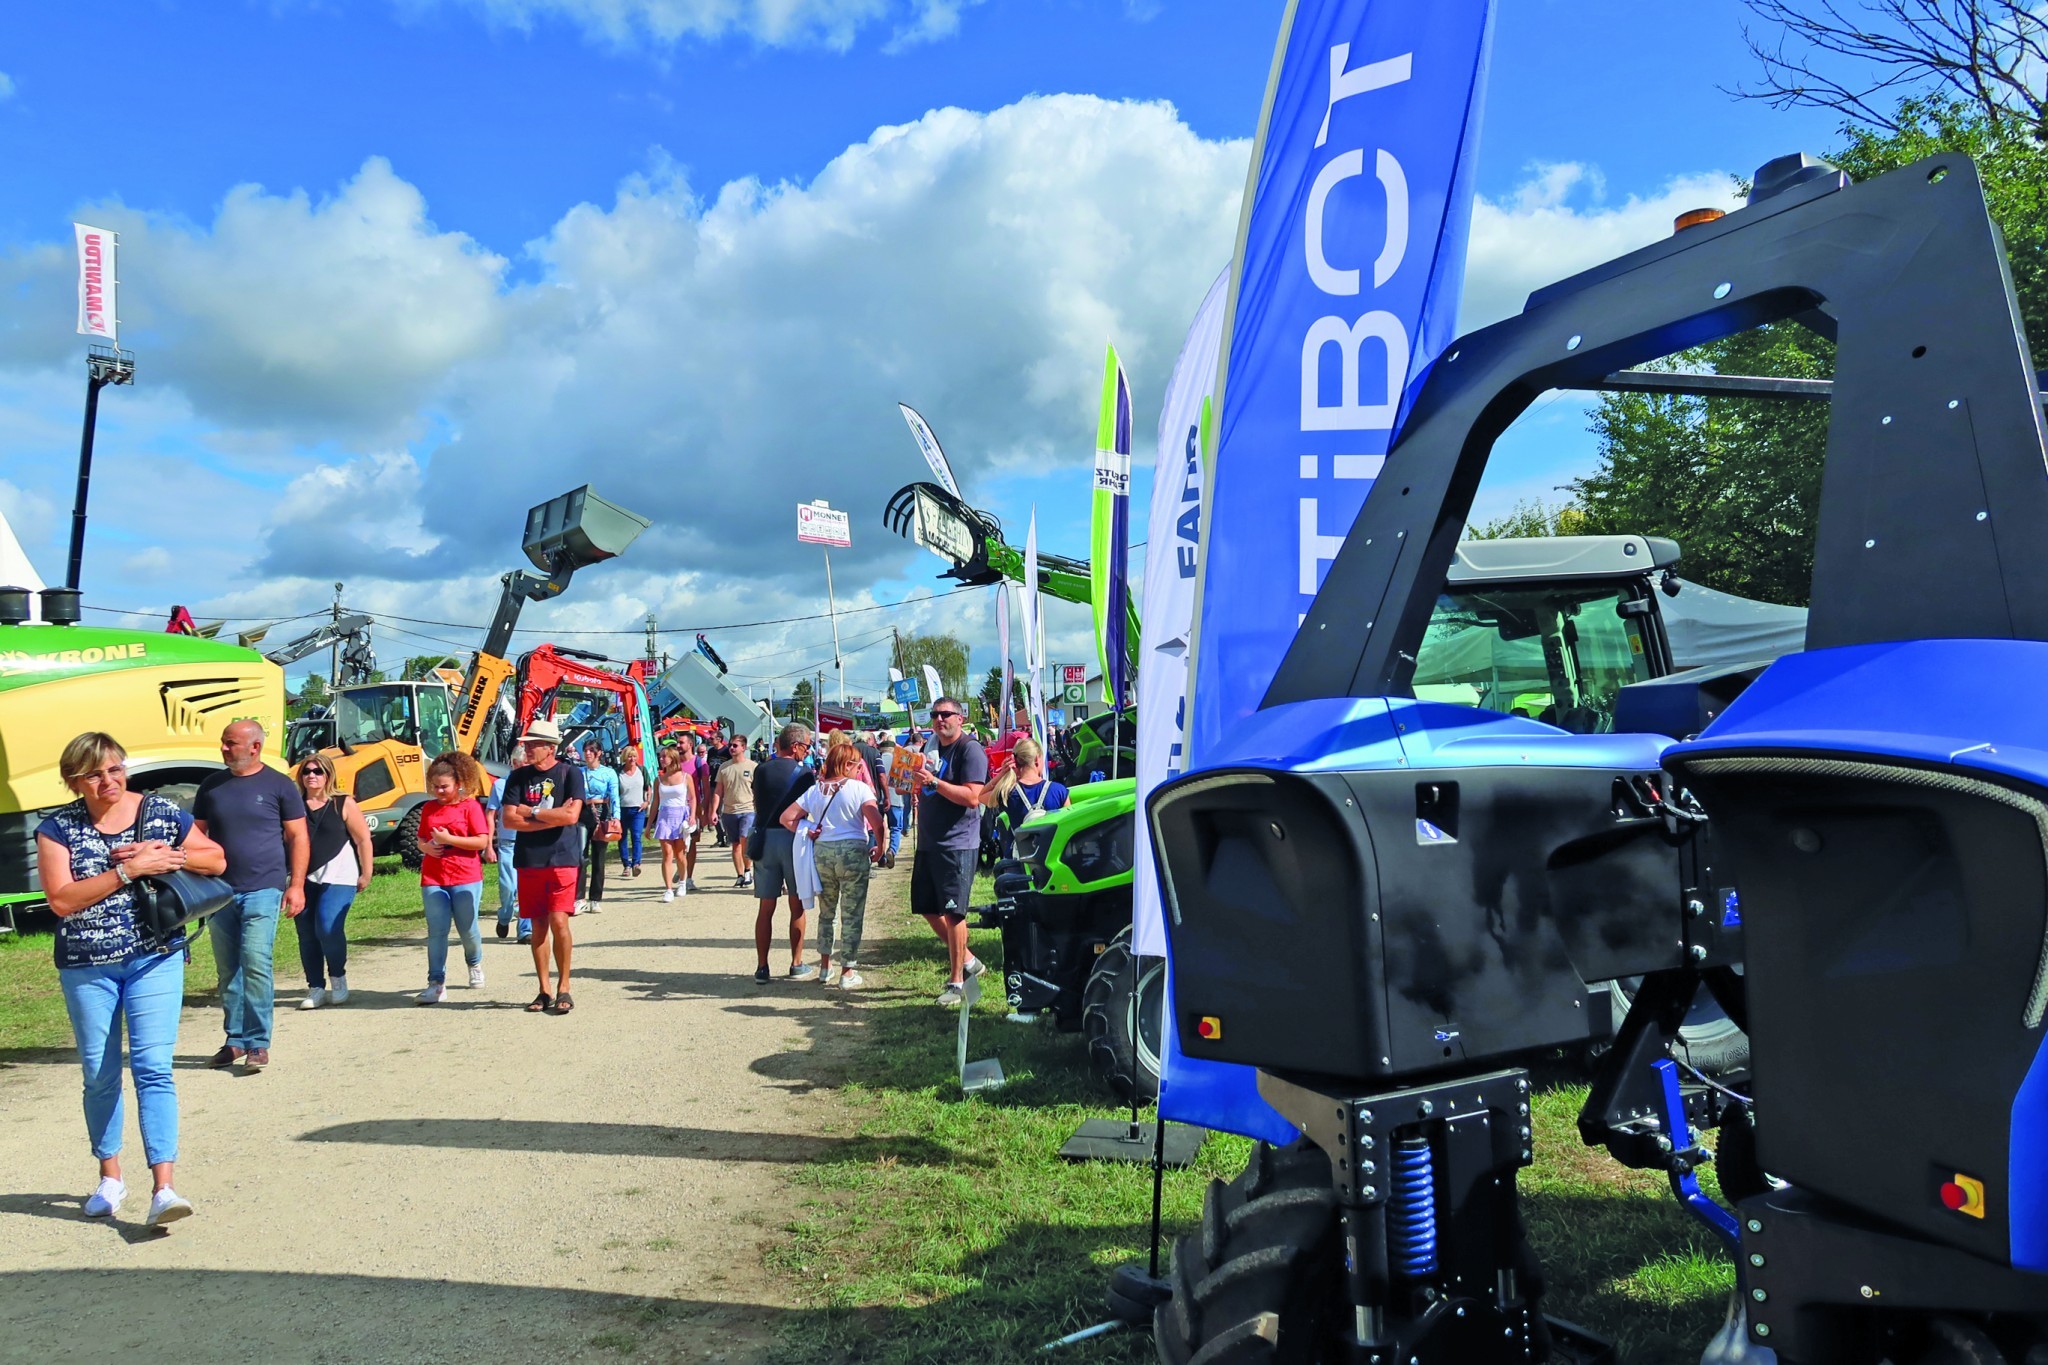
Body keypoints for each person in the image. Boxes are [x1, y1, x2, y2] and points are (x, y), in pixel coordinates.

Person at [36, 732, 226, 1229]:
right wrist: (127, 872)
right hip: (86, 965)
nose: (109, 781)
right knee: (100, 1074)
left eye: (116, 769)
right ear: (74, 781)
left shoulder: (160, 812)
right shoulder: (57, 828)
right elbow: (61, 900)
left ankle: (164, 1187)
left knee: (153, 1068)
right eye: (95, 774)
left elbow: (217, 860)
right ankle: (110, 1177)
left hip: (153, 957)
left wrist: (168, 856)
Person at [194, 720, 308, 1070]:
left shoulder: (279, 785)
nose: (224, 749)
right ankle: (235, 1040)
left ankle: (258, 1042)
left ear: (254, 747)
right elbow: (197, 837)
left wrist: (296, 885)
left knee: (256, 962)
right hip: (220, 892)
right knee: (229, 969)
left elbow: (298, 838)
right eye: (223, 742)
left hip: (264, 888)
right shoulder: (211, 787)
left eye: (231, 743)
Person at [780, 740, 885, 989]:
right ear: (848, 764)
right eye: (857, 764)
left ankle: (825, 965)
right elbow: (877, 822)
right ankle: (847, 970)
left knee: (827, 912)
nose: (859, 768)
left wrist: (806, 828)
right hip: (852, 851)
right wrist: (880, 847)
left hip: (823, 852)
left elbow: (786, 818)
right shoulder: (859, 789)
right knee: (852, 913)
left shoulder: (816, 789)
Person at [500, 719, 586, 1014]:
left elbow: (572, 817)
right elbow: (509, 820)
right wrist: (550, 816)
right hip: (529, 860)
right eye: (526, 743)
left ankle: (565, 986)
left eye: (533, 744)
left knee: (559, 921)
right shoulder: (517, 778)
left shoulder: (570, 773)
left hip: (562, 857)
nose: (527, 748)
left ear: (550, 748)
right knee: (537, 926)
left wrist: (533, 812)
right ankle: (544, 989)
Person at [911, 698, 989, 1005]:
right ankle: (969, 959)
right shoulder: (929, 748)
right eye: (935, 715)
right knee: (928, 908)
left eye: (946, 714)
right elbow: (918, 786)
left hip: (958, 843)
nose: (940, 719)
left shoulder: (970, 750)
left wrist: (934, 782)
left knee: (954, 912)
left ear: (960, 718)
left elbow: (973, 797)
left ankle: (957, 981)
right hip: (930, 841)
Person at [294, 755, 373, 1009]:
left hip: (340, 875)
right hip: (302, 877)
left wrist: (366, 872)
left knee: (328, 926)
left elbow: (362, 840)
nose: (311, 775)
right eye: (306, 771)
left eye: (318, 771)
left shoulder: (343, 803)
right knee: (307, 933)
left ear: (328, 775)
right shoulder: (293, 806)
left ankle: (338, 977)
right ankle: (315, 987)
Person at [416, 752, 491, 1004]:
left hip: (465, 875)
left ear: (458, 783)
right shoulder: (428, 808)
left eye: (444, 787)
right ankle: (436, 982)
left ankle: (474, 963)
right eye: (435, 787)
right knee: (436, 931)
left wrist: (450, 840)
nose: (439, 791)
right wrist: (425, 847)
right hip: (434, 876)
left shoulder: (470, 807)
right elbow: (421, 838)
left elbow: (481, 841)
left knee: (467, 929)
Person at [751, 722, 817, 984]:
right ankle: (796, 962)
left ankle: (762, 966)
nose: (808, 751)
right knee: (796, 904)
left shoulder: (762, 769)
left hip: (765, 838)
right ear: (797, 745)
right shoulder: (805, 773)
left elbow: (757, 803)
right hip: (793, 839)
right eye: (807, 746)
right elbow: (807, 807)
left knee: (766, 906)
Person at [988, 736, 1068, 858]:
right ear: (1037, 759)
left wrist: (1002, 774)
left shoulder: (1008, 793)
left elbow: (982, 796)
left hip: (1018, 862)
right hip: (1050, 860)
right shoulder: (1059, 791)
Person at [487, 747, 529, 943]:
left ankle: (525, 930)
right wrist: (488, 844)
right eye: (523, 765)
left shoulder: (533, 786)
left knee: (526, 887)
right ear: (514, 764)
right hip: (507, 843)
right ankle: (504, 915)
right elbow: (491, 815)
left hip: (529, 841)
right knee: (509, 887)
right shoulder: (500, 786)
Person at [709, 734, 757, 888]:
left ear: (744, 747)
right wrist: (714, 811)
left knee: (745, 839)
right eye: (730, 745)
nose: (731, 748)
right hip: (729, 811)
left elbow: (758, 790)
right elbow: (718, 790)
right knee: (735, 844)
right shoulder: (724, 767)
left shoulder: (753, 767)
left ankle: (748, 871)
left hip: (748, 809)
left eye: (735, 745)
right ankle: (740, 875)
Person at [652, 745, 695, 903]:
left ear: (673, 758)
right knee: (667, 854)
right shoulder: (659, 779)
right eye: (661, 756)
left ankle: (682, 882)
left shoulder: (685, 777)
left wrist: (692, 816)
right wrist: (650, 823)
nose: (662, 759)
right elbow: (655, 802)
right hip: (664, 817)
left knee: (680, 854)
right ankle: (668, 888)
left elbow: (692, 798)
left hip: (680, 816)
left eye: (665, 756)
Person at [674, 735, 709, 893]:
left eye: (681, 742)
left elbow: (706, 788)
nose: (678, 745)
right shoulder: (674, 762)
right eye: (678, 743)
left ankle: (688, 877)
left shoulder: (699, 763)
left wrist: (704, 810)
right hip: (676, 807)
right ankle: (681, 866)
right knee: (676, 841)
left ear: (690, 744)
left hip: (693, 807)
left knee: (692, 842)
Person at [876, 733, 910, 869]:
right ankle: (892, 850)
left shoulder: (876, 760)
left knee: (879, 828)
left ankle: (880, 855)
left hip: (878, 799)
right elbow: (904, 782)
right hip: (896, 799)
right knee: (895, 828)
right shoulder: (898, 761)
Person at [616, 744, 648, 878]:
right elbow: (614, 791)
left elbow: (648, 787)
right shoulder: (618, 772)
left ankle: (636, 864)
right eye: (629, 756)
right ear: (624, 757)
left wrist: (647, 802)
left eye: (634, 756)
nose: (632, 759)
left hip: (638, 809)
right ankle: (626, 865)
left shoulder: (642, 770)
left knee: (636, 836)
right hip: (622, 809)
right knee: (622, 838)